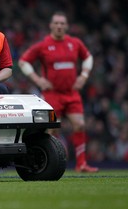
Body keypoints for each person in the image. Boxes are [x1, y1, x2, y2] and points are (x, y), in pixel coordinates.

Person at [18, 11, 98, 173]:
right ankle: (48, 162)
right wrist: (38, 79)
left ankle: (81, 164)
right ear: (51, 26)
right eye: (56, 23)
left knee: (80, 125)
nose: (59, 26)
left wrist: (83, 76)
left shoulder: (74, 43)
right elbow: (23, 61)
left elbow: (88, 57)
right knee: (51, 130)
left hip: (71, 93)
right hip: (52, 94)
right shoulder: (43, 45)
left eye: (62, 23)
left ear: (67, 26)